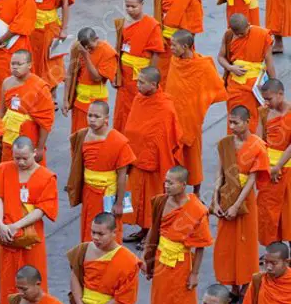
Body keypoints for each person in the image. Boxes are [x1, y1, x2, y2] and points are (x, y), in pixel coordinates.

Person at [144, 166, 212, 304]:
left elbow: (200, 245)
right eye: (166, 181)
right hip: (161, 258)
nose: (166, 186)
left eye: (171, 183)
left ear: (183, 185)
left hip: (182, 262)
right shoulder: (161, 201)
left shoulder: (196, 209)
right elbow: (154, 230)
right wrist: (147, 259)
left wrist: (194, 274)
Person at [0, 136, 58, 304]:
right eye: (16, 158)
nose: (20, 162)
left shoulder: (46, 177)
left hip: (32, 237)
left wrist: (17, 225)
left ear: (34, 153)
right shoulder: (4, 169)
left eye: (25, 158)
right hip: (8, 235)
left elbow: (42, 209)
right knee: (9, 278)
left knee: (33, 274)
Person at [211, 106, 266, 304]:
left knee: (246, 244)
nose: (232, 126)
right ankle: (233, 287)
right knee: (226, 244)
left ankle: (245, 287)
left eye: (236, 122)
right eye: (230, 122)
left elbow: (252, 180)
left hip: (245, 201)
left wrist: (236, 205)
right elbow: (220, 173)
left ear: (248, 121)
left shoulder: (257, 145)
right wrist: (216, 200)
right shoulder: (225, 144)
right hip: (226, 196)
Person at [121, 67, 182, 247]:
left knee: (153, 200)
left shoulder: (165, 106)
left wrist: (154, 150)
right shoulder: (139, 99)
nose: (137, 84)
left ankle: (153, 234)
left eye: (141, 82)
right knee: (137, 198)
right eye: (138, 80)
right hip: (137, 158)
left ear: (154, 85)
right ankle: (143, 229)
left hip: (156, 162)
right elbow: (132, 126)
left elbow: (167, 137)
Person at [64, 101, 134, 243]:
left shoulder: (118, 141)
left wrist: (119, 203)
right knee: (89, 228)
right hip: (89, 193)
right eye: (90, 115)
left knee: (109, 230)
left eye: (97, 116)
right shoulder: (82, 136)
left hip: (108, 194)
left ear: (106, 119)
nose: (92, 119)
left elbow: (122, 175)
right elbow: (78, 166)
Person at [165, 31, 226, 192]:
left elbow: (215, 87)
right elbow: (171, 88)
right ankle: (174, 187)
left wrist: (199, 104)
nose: (170, 48)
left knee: (193, 157)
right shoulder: (175, 60)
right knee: (173, 154)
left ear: (185, 46)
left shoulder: (202, 65)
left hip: (192, 118)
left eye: (174, 45)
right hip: (173, 117)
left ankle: (197, 192)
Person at [114, 0, 164, 132]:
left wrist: (149, 76)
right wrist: (115, 73)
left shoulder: (151, 25)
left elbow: (156, 52)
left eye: (133, 6)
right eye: (127, 6)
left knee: (138, 108)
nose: (130, 9)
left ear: (142, 4)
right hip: (124, 77)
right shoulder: (123, 23)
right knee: (122, 111)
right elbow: (119, 48)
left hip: (139, 76)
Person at [25, 0, 72, 93]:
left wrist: (64, 29)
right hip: (32, 23)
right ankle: (37, 90)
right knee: (34, 58)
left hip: (49, 23)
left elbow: (65, 4)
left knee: (50, 60)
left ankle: (51, 93)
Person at [217, 13, 275, 132]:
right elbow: (220, 57)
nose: (240, 36)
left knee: (254, 116)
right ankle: (235, 144)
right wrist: (231, 68)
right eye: (237, 34)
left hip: (254, 86)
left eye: (243, 33)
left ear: (249, 24)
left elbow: (269, 61)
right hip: (235, 85)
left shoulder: (262, 35)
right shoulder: (228, 36)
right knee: (235, 115)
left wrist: (273, 83)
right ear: (232, 30)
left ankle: (253, 144)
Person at [152, 0, 204, 84]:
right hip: (162, 44)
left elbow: (193, 29)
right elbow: (157, 16)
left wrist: (182, 50)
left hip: (179, 46)